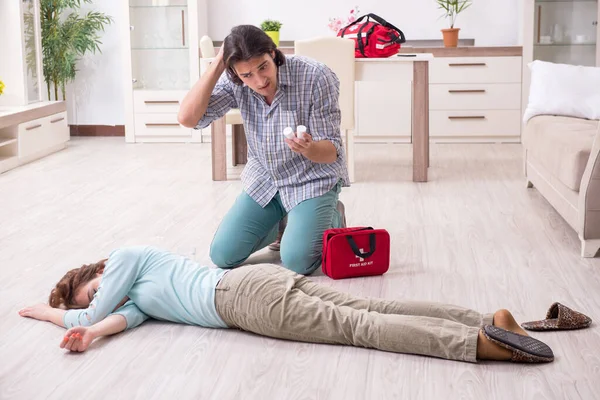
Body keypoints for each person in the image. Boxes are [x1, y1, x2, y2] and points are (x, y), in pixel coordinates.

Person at [19, 246, 554, 363]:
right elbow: (119, 318)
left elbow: (95, 308)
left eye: (92, 287)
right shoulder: (140, 292)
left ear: (94, 273)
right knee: (374, 312)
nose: (99, 297)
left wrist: (50, 314)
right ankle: (490, 321)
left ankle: (481, 345)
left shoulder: (126, 259)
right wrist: (89, 335)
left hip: (243, 301)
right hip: (258, 283)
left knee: (358, 328)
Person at [178, 25, 349, 275]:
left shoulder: (316, 76)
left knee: (297, 262)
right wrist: (217, 65)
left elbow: (332, 150)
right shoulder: (235, 81)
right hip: (266, 181)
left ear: (273, 53)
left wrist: (309, 148)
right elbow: (188, 118)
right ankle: (286, 223)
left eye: (263, 67)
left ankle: (332, 216)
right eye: (247, 75)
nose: (259, 81)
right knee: (223, 255)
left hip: (312, 179)